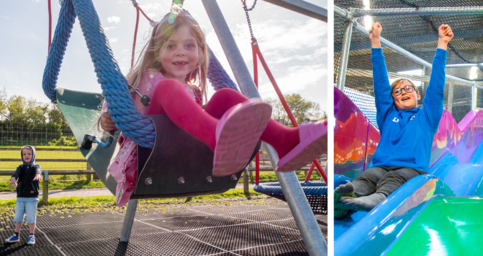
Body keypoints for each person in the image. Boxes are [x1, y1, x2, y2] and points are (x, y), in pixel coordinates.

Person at [98, 10, 328, 206]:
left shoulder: (192, 91)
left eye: (189, 45)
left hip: (190, 155)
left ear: (200, 51)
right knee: (168, 88)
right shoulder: (144, 79)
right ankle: (219, 140)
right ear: (157, 52)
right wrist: (108, 119)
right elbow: (116, 107)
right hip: (151, 157)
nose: (180, 52)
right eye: (171, 46)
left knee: (226, 96)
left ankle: (286, 141)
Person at [334, 22, 454, 211]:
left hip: (412, 171)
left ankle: (378, 198)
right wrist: (375, 41)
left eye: (408, 88)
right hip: (380, 167)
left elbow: (436, 85)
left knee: (394, 178)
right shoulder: (388, 115)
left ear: (418, 95)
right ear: (393, 99)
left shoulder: (427, 116)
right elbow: (380, 83)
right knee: (368, 177)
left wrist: (442, 44)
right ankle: (345, 200)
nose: (403, 92)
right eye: (397, 91)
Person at [5, 145, 42, 245]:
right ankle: (16, 235)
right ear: (22, 156)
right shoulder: (21, 167)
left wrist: (38, 175)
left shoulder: (36, 166)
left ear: (33, 155)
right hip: (21, 197)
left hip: (32, 197)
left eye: (29, 154)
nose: (26, 156)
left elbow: (39, 171)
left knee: (31, 217)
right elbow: (16, 173)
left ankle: (31, 236)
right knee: (18, 217)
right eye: (24, 154)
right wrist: (13, 178)